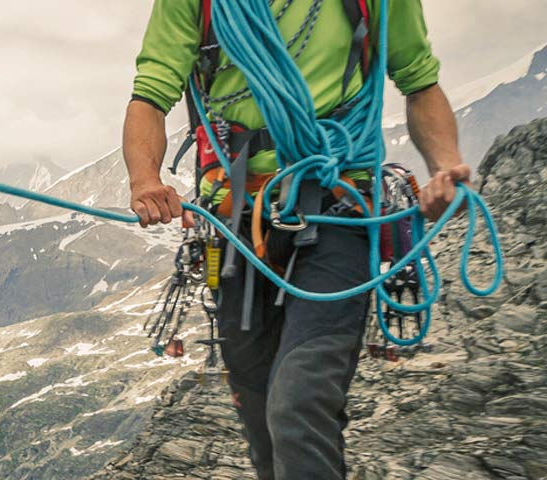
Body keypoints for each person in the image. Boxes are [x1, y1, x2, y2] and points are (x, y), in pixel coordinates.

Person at [122, 1, 470, 478]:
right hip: (234, 224)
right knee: (263, 420)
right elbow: (151, 94)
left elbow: (419, 79)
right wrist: (144, 179)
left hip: (339, 208)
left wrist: (444, 167)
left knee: (299, 404)